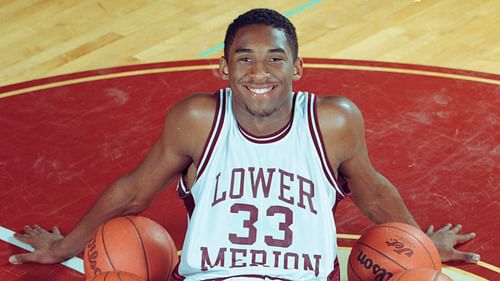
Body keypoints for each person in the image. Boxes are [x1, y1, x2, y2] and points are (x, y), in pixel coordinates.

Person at [9, 8, 479, 280]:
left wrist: (420, 242)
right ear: (224, 68)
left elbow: (372, 190)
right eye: (245, 58)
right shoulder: (198, 118)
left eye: (276, 58)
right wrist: (62, 247)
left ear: (296, 68)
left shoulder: (332, 120)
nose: (260, 72)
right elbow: (133, 192)